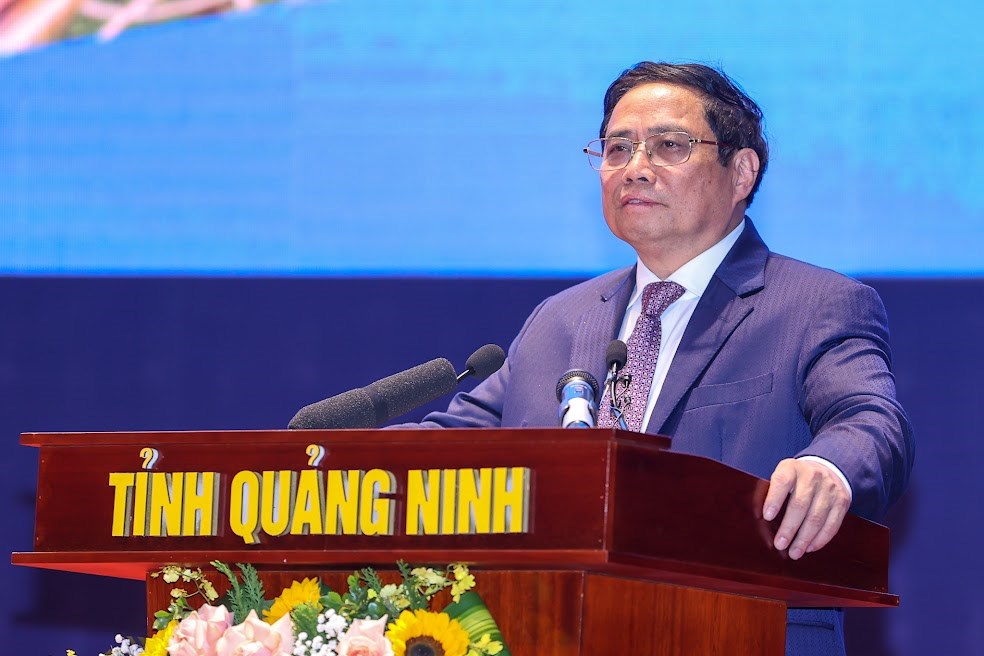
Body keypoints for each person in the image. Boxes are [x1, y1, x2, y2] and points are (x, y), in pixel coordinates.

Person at [401, 61, 914, 655]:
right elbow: (451, 444)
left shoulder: (813, 305)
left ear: (741, 171)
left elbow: (871, 421)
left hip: (738, 635)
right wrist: (334, 466)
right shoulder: (560, 319)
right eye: (618, 149)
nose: (635, 168)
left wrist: (830, 468)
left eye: (669, 145)